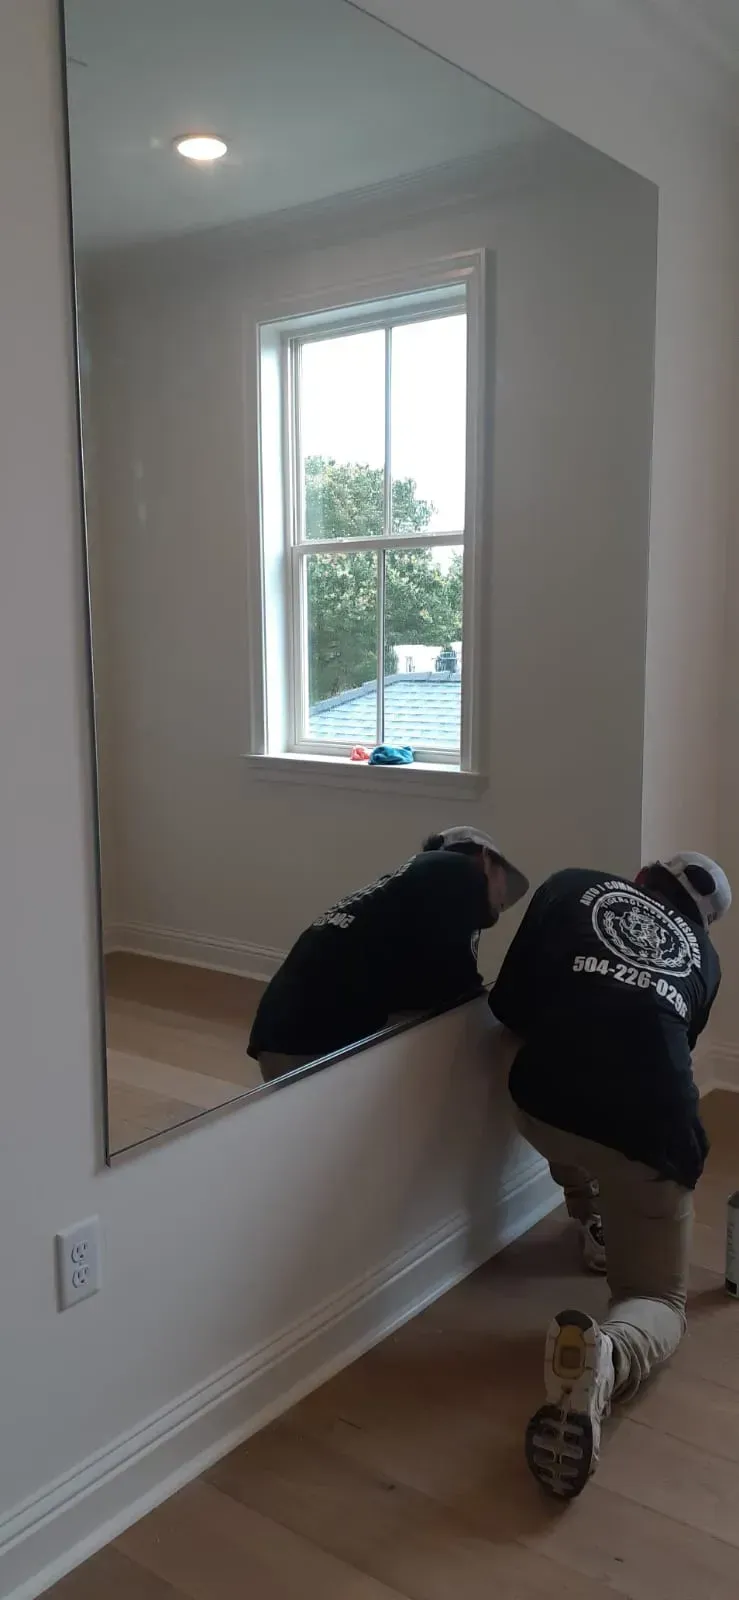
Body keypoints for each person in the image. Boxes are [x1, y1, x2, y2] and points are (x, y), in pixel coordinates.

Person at [488, 852, 730, 1500]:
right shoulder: (704, 963)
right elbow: (665, 1050)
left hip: (541, 1107)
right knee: (658, 1301)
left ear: (642, 877)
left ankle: (588, 1212)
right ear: (701, 923)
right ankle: (612, 1357)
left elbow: (508, 1006)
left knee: (548, 1058)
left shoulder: (569, 884)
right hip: (649, 1137)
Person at [248, 826, 528, 1081]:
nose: (504, 902)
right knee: (471, 1030)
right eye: (505, 883)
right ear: (486, 859)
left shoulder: (406, 895)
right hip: (311, 1049)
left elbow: (435, 993)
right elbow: (464, 998)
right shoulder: (458, 871)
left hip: (280, 1038)